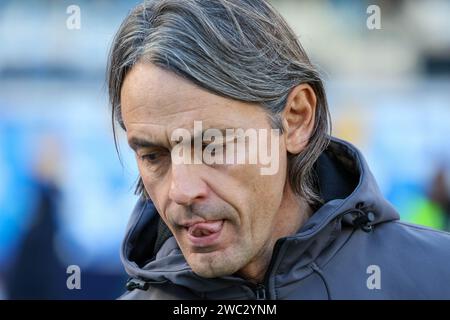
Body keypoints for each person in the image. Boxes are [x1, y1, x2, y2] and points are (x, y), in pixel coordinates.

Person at [107, 0, 450, 299]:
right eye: (153, 156)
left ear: (297, 119)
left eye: (212, 146)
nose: (181, 191)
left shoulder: (436, 277)